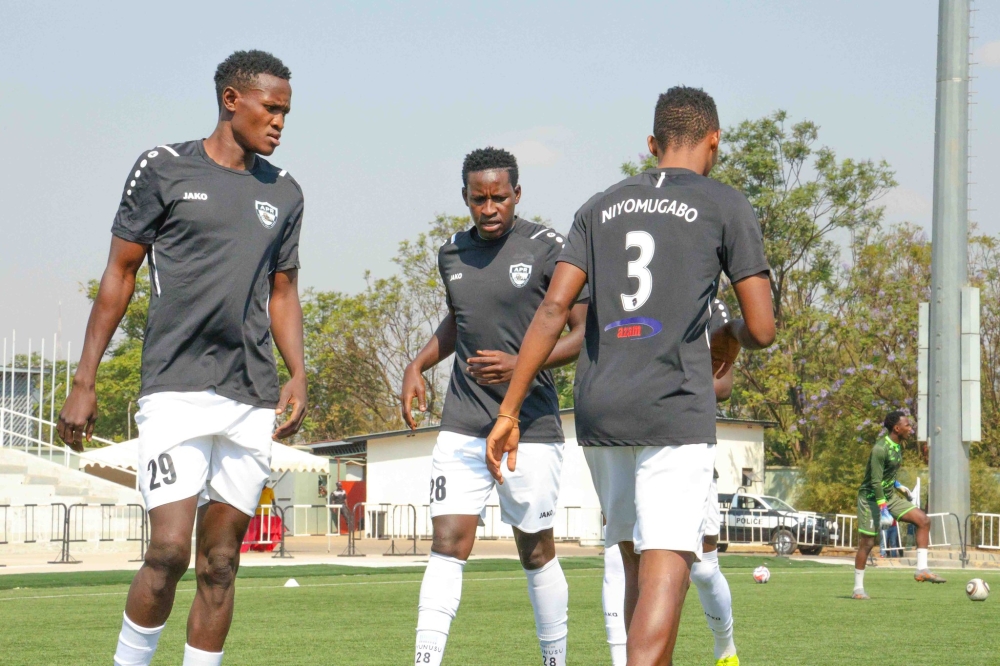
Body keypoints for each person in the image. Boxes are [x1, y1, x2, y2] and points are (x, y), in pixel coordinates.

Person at [485, 87, 775, 665]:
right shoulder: (725, 204)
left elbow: (551, 311)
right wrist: (728, 333)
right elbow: (762, 329)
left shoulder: (599, 205)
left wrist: (508, 411)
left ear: (651, 144)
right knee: (669, 564)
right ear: (713, 141)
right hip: (673, 405)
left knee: (636, 568)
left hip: (602, 407)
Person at [57, 50, 306, 666]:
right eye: (271, 109)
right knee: (168, 551)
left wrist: (298, 371)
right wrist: (83, 379)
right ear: (231, 100)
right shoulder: (163, 167)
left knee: (220, 563)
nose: (280, 123)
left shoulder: (286, 191)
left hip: (250, 397)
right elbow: (119, 274)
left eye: (286, 113)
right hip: (174, 387)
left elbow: (284, 291)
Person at [400, 147, 587, 666]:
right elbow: (459, 321)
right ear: (465, 198)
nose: (489, 208)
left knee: (536, 549)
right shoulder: (451, 253)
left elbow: (583, 333)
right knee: (448, 541)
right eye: (478, 198)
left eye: (499, 197)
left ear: (517, 195)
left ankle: (554, 660)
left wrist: (521, 366)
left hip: (531, 425)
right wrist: (418, 364)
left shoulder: (551, 249)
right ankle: (425, 660)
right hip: (462, 422)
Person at [602, 298, 742, 666]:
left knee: (704, 567)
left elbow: (723, 385)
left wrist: (670, 385)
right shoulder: (627, 296)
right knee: (624, 555)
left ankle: (724, 647)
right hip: (627, 440)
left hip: (684, 446)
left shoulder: (713, 308)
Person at [852, 411, 945, 600]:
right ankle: (857, 589)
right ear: (897, 428)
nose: (910, 429)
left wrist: (898, 486)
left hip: (889, 496)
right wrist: (883, 508)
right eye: (907, 425)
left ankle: (921, 569)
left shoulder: (897, 446)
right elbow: (875, 481)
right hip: (871, 499)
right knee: (868, 543)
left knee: (923, 520)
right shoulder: (880, 448)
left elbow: (887, 474)